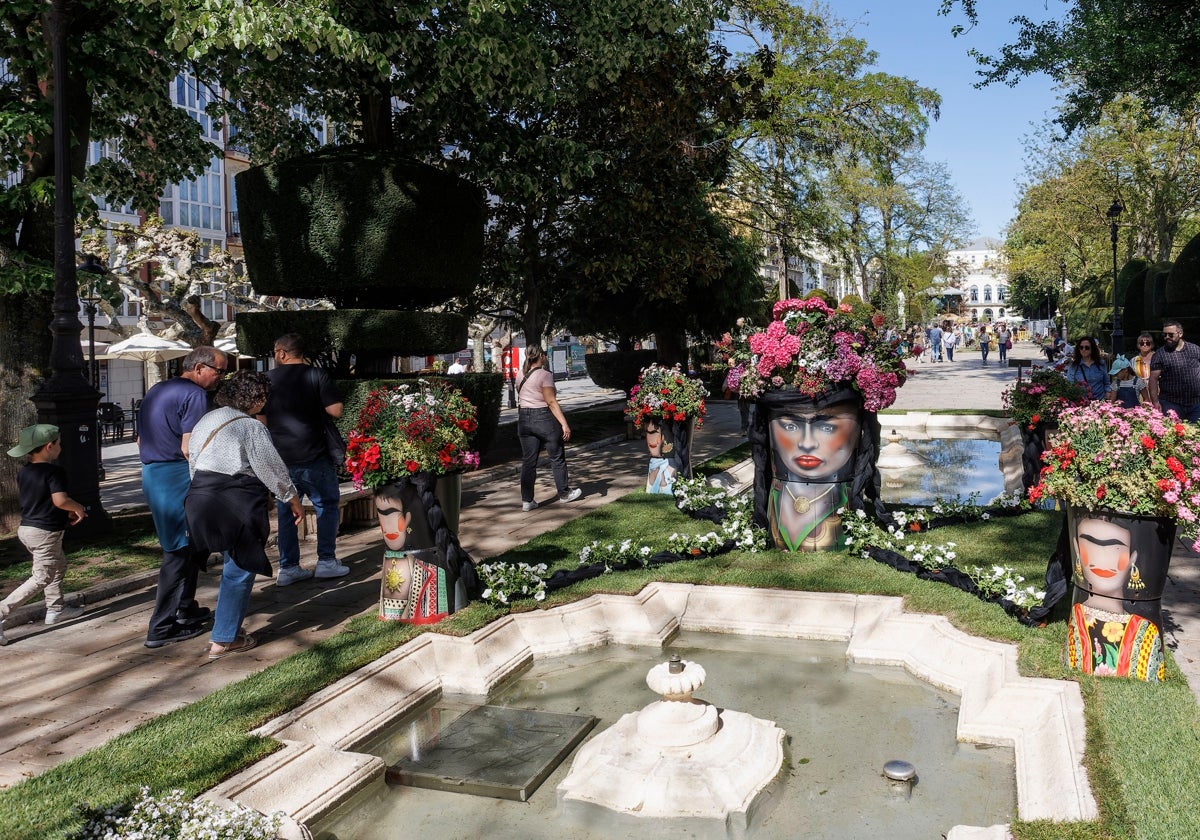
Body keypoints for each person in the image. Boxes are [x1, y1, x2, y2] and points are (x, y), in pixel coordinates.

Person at [186, 371, 302, 660]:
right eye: (263, 396)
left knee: (232, 564)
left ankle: (226, 633)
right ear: (255, 397)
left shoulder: (207, 419)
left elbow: (193, 457)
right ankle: (224, 639)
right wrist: (291, 498)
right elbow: (270, 467)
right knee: (239, 568)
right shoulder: (250, 426)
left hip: (199, 496)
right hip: (235, 500)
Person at [139, 345, 227, 648]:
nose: (220, 377)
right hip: (176, 475)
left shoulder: (157, 389)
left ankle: (185, 608)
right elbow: (191, 447)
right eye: (219, 371)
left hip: (153, 474)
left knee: (189, 546)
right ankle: (160, 627)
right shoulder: (195, 395)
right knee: (178, 552)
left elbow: (141, 437)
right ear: (200, 368)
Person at [262, 333, 350, 586]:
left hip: (280, 458)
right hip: (315, 453)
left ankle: (288, 567)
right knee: (326, 505)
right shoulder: (316, 375)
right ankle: (326, 561)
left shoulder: (266, 379)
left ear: (281, 353)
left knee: (286, 511)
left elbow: (260, 419)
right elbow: (336, 410)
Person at [1, 425, 86, 645]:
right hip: (44, 533)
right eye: (59, 444)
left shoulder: (24, 471)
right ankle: (1, 612)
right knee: (42, 576)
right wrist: (78, 508)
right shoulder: (54, 472)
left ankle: (55, 609)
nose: (60, 447)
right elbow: (60, 501)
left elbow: (40, 501)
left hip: (28, 529)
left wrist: (63, 514)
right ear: (50, 446)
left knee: (58, 565)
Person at [1065, 514, 1164, 680]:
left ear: (1132, 557)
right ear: (1077, 549)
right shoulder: (1077, 618)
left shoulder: (1146, 633)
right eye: (1090, 544)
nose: (1102, 558)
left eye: (1116, 548)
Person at [766, 400, 860, 551]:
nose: (807, 444)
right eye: (791, 426)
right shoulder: (776, 495)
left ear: (857, 432)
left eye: (827, 427)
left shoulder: (845, 496)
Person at [517, 344, 583, 511]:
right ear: (541, 356)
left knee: (529, 462)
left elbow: (522, 393)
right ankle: (564, 493)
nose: (545, 357)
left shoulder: (520, 374)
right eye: (544, 354)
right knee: (557, 457)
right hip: (544, 418)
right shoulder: (545, 375)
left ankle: (527, 501)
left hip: (524, 419)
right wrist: (564, 424)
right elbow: (551, 402)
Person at [1147, 320, 1200, 421]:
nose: (1167, 337)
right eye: (1164, 334)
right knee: (1172, 434)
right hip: (1170, 403)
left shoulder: (1195, 350)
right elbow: (1153, 379)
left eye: (1170, 335)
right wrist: (1155, 402)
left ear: (1180, 333)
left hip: (1195, 403)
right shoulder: (1160, 354)